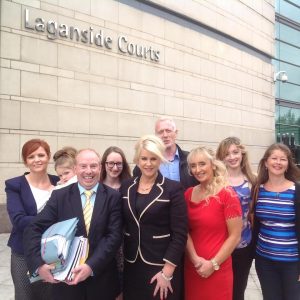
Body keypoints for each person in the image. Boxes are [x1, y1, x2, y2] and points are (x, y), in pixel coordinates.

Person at [23, 148, 123, 300]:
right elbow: (33, 228)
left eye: (93, 166)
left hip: (102, 280)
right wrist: (38, 264)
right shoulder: (60, 196)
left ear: (100, 168)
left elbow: (114, 236)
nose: (88, 171)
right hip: (66, 284)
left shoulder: (113, 196)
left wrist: (91, 266)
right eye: (83, 166)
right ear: (75, 168)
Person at [121, 135, 188, 300]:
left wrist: (167, 272)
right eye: (144, 158)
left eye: (153, 159)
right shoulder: (126, 186)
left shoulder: (173, 189)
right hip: (132, 266)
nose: (148, 163)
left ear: (160, 159)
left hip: (161, 266)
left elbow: (180, 234)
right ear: (137, 159)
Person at [185, 146, 242, 300]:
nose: (198, 169)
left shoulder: (227, 194)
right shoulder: (188, 194)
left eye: (202, 164)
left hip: (218, 268)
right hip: (193, 267)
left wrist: (213, 264)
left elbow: (235, 236)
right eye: (193, 166)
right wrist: (195, 259)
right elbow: (183, 231)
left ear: (213, 165)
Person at [5, 138, 59, 300]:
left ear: (48, 157)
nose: (37, 160)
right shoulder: (15, 185)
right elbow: (19, 220)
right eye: (31, 156)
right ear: (25, 161)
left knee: (49, 295)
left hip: (53, 252)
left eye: (41, 155)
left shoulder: (59, 182)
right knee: (25, 296)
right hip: (23, 252)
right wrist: (52, 220)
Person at [251, 143, 300, 300]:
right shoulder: (258, 189)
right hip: (265, 261)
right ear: (266, 163)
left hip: (293, 262)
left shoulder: (296, 190)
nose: (278, 162)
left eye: (283, 159)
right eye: (274, 158)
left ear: (288, 164)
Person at [216, 137, 256, 300]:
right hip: (219, 244)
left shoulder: (253, 179)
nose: (232, 157)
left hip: (243, 245)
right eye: (227, 154)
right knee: (220, 289)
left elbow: (255, 214)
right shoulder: (217, 181)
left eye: (235, 152)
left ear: (242, 153)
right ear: (221, 157)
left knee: (238, 289)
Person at [100, 146, 131, 300]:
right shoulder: (96, 186)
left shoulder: (129, 186)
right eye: (110, 163)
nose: (114, 167)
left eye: (119, 163)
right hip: (101, 241)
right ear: (104, 164)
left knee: (121, 284)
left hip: (124, 243)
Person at [154, 117, 198, 190]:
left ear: (176, 133)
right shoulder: (148, 163)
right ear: (156, 136)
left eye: (168, 131)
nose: (165, 135)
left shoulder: (190, 158)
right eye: (160, 132)